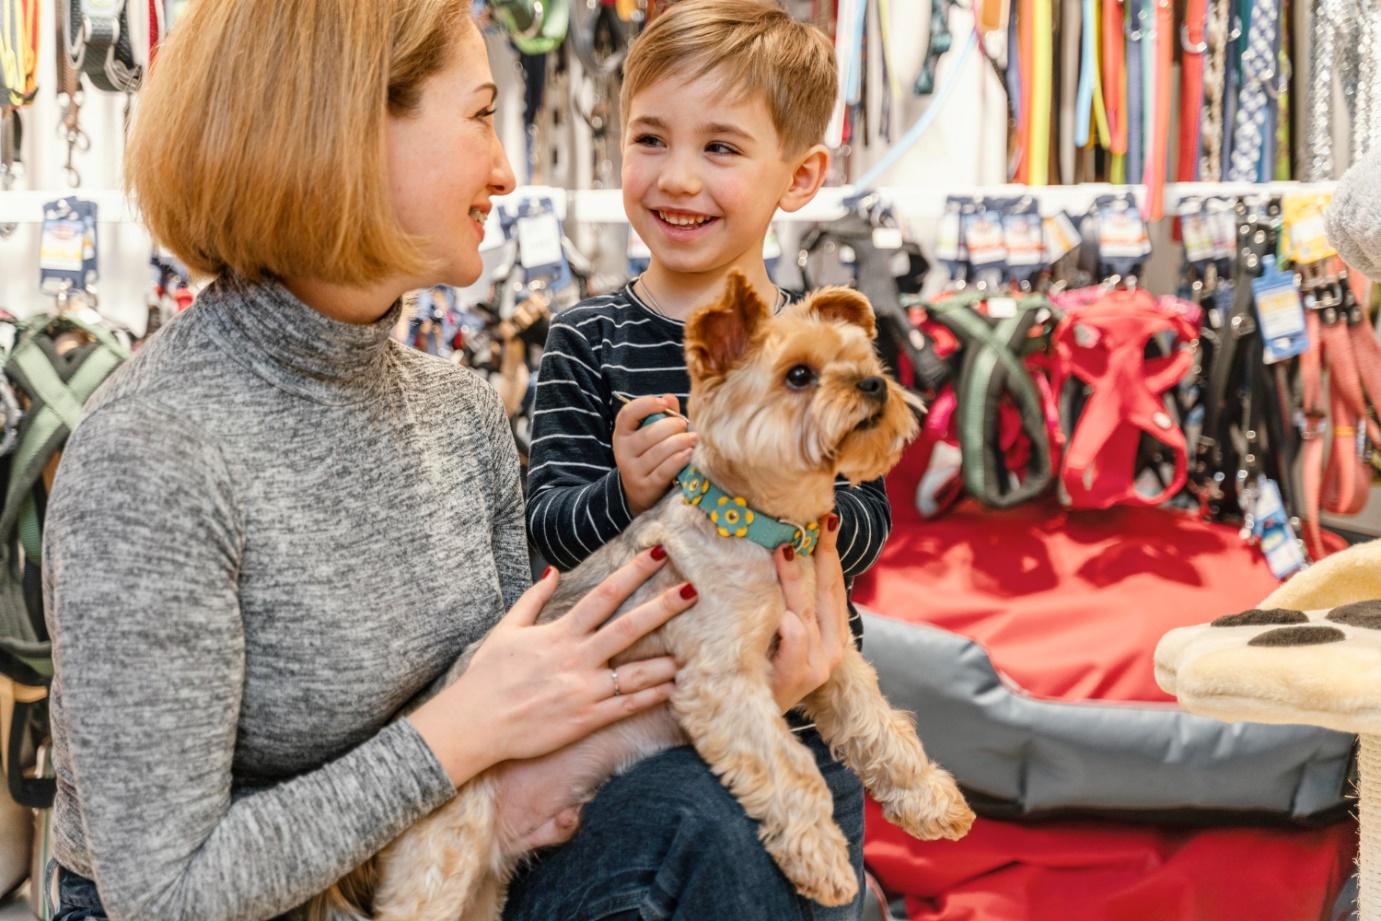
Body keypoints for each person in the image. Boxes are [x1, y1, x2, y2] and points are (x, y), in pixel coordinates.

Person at [40, 2, 850, 919]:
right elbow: (163, 893)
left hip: (441, 872)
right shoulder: (155, 454)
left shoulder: (457, 408)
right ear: (342, 131)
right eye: (477, 116)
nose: (504, 171)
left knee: (744, 815)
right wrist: (452, 737)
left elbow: (528, 726)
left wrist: (737, 686)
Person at [518, 1, 889, 916]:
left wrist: (796, 504)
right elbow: (546, 524)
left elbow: (870, 516)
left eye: (720, 149)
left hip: (799, 722)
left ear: (799, 176)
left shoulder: (826, 341)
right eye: (650, 138)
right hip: (636, 736)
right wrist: (627, 487)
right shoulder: (583, 340)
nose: (676, 177)